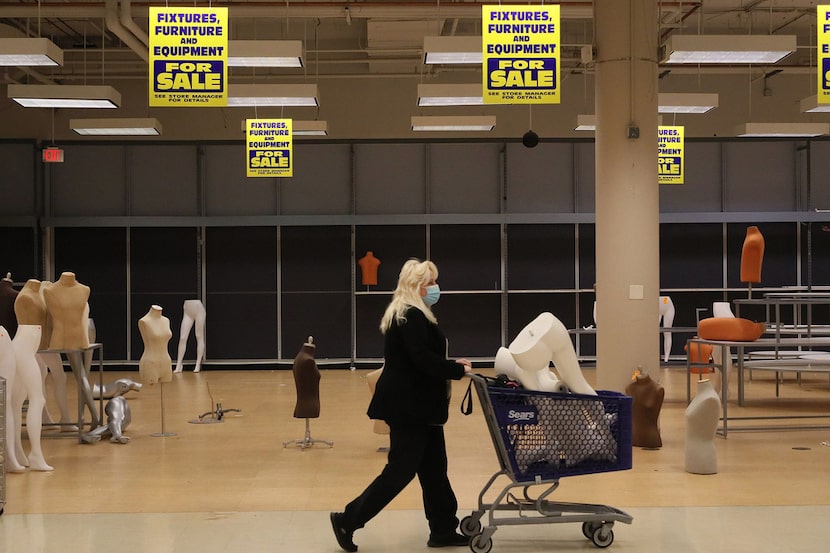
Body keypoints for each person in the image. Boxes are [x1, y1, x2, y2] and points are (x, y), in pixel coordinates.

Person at [331, 258, 472, 552]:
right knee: (400, 470)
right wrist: (456, 370)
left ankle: (443, 529)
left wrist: (450, 365)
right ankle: (348, 519)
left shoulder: (412, 313)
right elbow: (420, 359)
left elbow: (420, 357)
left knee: (434, 469)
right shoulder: (410, 316)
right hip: (409, 408)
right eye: (430, 283)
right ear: (417, 286)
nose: (435, 287)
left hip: (421, 408)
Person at [138, 305, 173, 385]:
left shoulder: (166, 320)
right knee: (150, 394)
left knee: (165, 394)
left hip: (166, 362)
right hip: (150, 362)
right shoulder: (144, 321)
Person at [174, 299, 206, 373]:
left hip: (198, 308)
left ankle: (198, 364)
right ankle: (179, 364)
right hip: (187, 309)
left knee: (199, 335)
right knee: (183, 337)